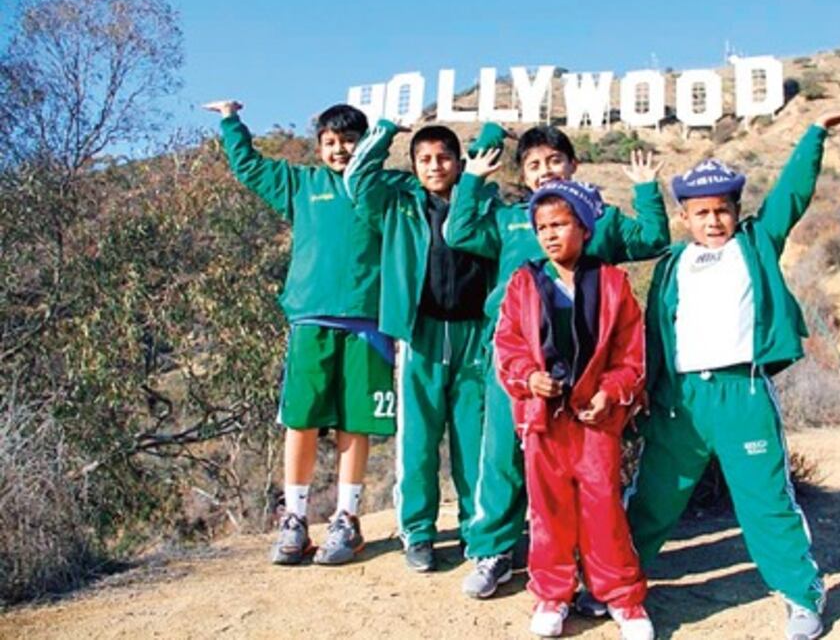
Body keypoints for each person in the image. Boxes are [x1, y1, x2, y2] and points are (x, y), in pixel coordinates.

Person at [627, 112, 840, 640]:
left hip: (744, 392)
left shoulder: (755, 243)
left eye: (722, 210)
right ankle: (618, 584)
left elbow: (790, 197)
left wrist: (814, 135)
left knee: (765, 500)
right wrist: (648, 391)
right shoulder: (672, 263)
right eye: (701, 213)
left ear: (736, 210)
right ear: (685, 216)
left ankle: (801, 596)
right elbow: (655, 332)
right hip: (681, 399)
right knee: (653, 499)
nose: (713, 221)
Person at [448, 124, 669, 600]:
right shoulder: (510, 220)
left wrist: (646, 190)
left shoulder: (601, 219)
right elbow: (459, 231)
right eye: (533, 165)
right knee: (502, 454)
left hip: (586, 366)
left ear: (574, 165)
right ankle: (493, 550)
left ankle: (588, 557)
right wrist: (473, 178)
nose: (545, 171)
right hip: (516, 358)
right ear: (523, 176)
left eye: (554, 160)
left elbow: (653, 240)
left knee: (586, 465)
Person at [203, 100, 396, 566]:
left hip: (368, 323)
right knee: (301, 420)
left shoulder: (383, 187)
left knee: (356, 423)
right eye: (330, 142)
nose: (340, 150)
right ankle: (294, 518)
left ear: (366, 143)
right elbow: (250, 168)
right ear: (318, 147)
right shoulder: (302, 184)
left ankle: (347, 518)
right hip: (310, 321)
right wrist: (231, 122)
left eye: (349, 141)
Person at [494, 180, 652, 639]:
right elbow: (507, 345)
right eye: (542, 227)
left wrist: (611, 392)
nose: (550, 234)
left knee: (604, 508)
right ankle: (552, 593)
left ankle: (621, 596)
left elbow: (631, 354)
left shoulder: (612, 283)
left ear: (584, 228)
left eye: (560, 224)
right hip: (544, 420)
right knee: (548, 511)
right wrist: (529, 378)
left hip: (595, 420)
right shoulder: (523, 283)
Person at [345, 120, 499, 572]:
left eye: (444, 158)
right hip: (420, 334)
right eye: (425, 159)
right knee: (418, 442)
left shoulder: (483, 201)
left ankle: (478, 532)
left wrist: (491, 134)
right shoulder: (398, 203)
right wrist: (385, 131)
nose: (435, 167)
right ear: (413, 165)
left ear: (460, 162)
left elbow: (483, 165)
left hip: (474, 335)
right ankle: (417, 532)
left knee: (474, 441)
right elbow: (357, 179)